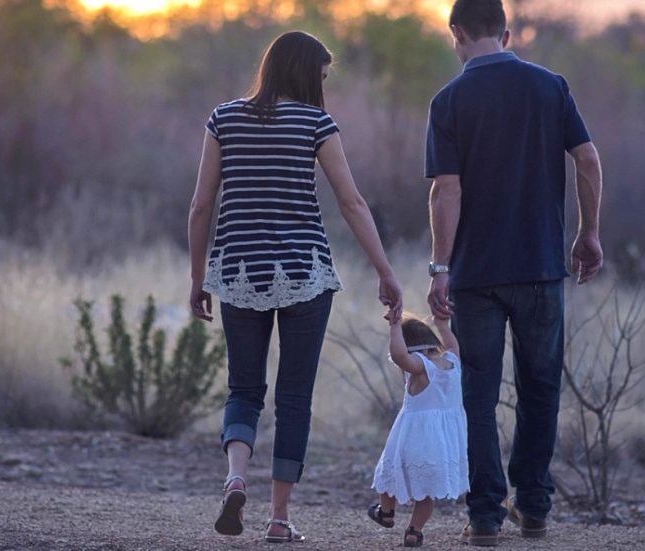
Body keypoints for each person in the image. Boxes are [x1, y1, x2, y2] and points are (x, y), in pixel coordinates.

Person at [187, 30, 403, 544]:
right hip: (305, 272)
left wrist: (198, 279)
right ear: (306, 74)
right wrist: (385, 271)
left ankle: (236, 476)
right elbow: (352, 203)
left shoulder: (223, 119)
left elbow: (200, 206)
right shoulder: (316, 123)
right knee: (294, 398)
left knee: (244, 389)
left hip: (238, 271)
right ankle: (279, 519)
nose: (323, 87)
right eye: (322, 77)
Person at [424, 0, 604, 546]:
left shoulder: (449, 99)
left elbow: (445, 189)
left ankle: (484, 517)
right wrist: (589, 232)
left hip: (476, 275)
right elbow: (589, 160)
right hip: (541, 268)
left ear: (456, 32)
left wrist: (439, 267)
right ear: (505, 32)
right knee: (540, 389)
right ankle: (535, 507)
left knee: (477, 395)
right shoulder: (550, 87)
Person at [367, 313, 468, 548]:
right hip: (443, 443)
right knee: (427, 492)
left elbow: (400, 356)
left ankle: (386, 512)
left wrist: (394, 328)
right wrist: (442, 325)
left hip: (414, 438)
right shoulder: (453, 361)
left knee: (389, 475)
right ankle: (414, 531)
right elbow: (452, 344)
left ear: (412, 348)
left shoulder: (421, 367)